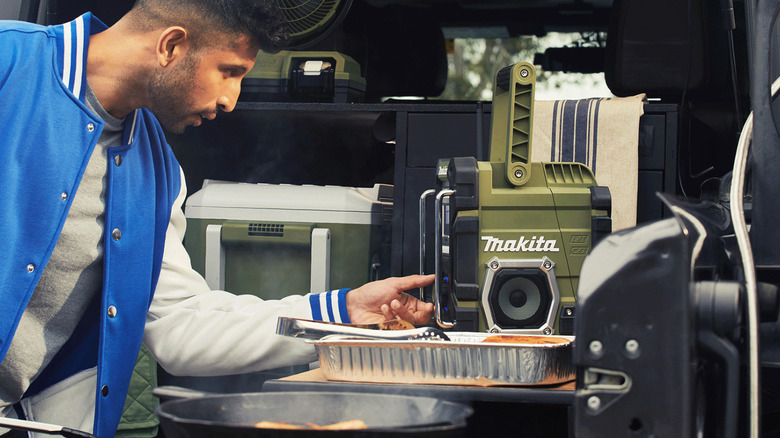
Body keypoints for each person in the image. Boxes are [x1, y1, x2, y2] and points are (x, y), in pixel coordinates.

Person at [0, 0, 435, 436]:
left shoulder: (159, 171)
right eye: (230, 71)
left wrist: (342, 313)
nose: (232, 99)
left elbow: (180, 323)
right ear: (171, 45)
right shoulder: (9, 64)